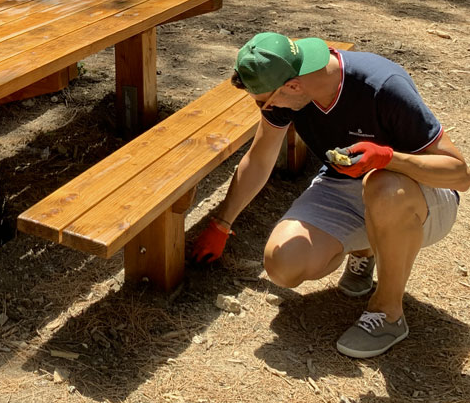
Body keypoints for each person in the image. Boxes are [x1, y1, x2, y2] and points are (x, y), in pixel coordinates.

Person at [192, 32, 467, 358]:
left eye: (263, 101)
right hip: (347, 183)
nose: (264, 109)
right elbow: (261, 156)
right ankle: (367, 250)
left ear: (292, 86)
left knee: (381, 187)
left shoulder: (381, 85)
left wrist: (388, 158)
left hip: (418, 192)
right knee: (283, 264)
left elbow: (459, 174)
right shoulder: (289, 89)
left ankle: (388, 312)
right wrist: (221, 223)